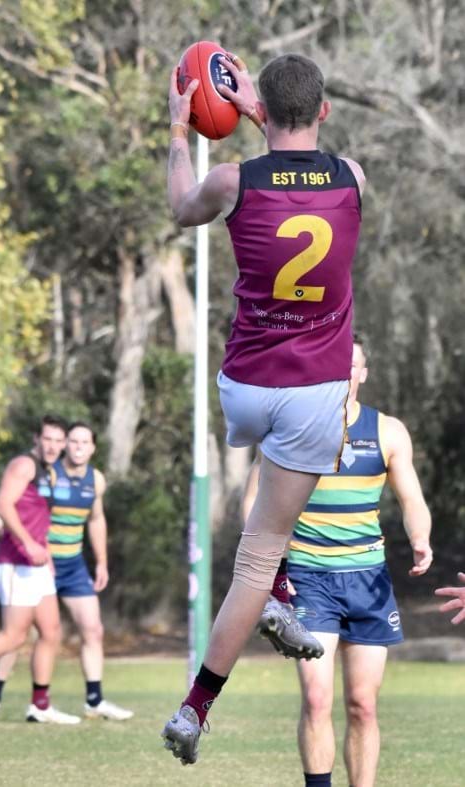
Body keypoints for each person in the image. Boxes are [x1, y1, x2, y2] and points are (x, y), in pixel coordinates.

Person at [162, 51, 366, 765]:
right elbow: (302, 157)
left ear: (264, 113)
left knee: (269, 514)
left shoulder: (231, 179)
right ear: (325, 111)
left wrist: (179, 129)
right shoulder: (351, 178)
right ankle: (194, 706)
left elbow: (180, 205)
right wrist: (260, 111)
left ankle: (278, 587)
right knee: (255, 555)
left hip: (243, 386)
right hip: (312, 390)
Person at [241, 340, 432, 787]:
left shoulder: (387, 431)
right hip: (309, 579)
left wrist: (420, 538)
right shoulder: (289, 429)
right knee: (317, 698)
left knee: (362, 704)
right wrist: (267, 553)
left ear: (363, 373)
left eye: (350, 366)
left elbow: (412, 500)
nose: (340, 373)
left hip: (369, 581)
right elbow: (252, 500)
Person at [42, 423, 134, 720]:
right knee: (17, 633)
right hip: (41, 564)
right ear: (65, 444)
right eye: (74, 441)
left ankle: (94, 700)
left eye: (85, 442)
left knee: (93, 630)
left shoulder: (96, 480)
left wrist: (102, 562)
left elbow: (96, 520)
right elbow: (34, 515)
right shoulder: (50, 473)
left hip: (74, 566)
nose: (79, 446)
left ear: (93, 447)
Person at [0, 437, 75, 724]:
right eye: (47, 438)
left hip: (38, 565)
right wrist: (29, 543)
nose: (52, 445)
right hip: (15, 562)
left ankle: (40, 705)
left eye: (58, 440)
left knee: (51, 631)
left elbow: (38, 518)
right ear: (37, 438)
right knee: (14, 636)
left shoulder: (51, 472)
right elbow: (2, 503)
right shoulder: (25, 464)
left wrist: (45, 550)